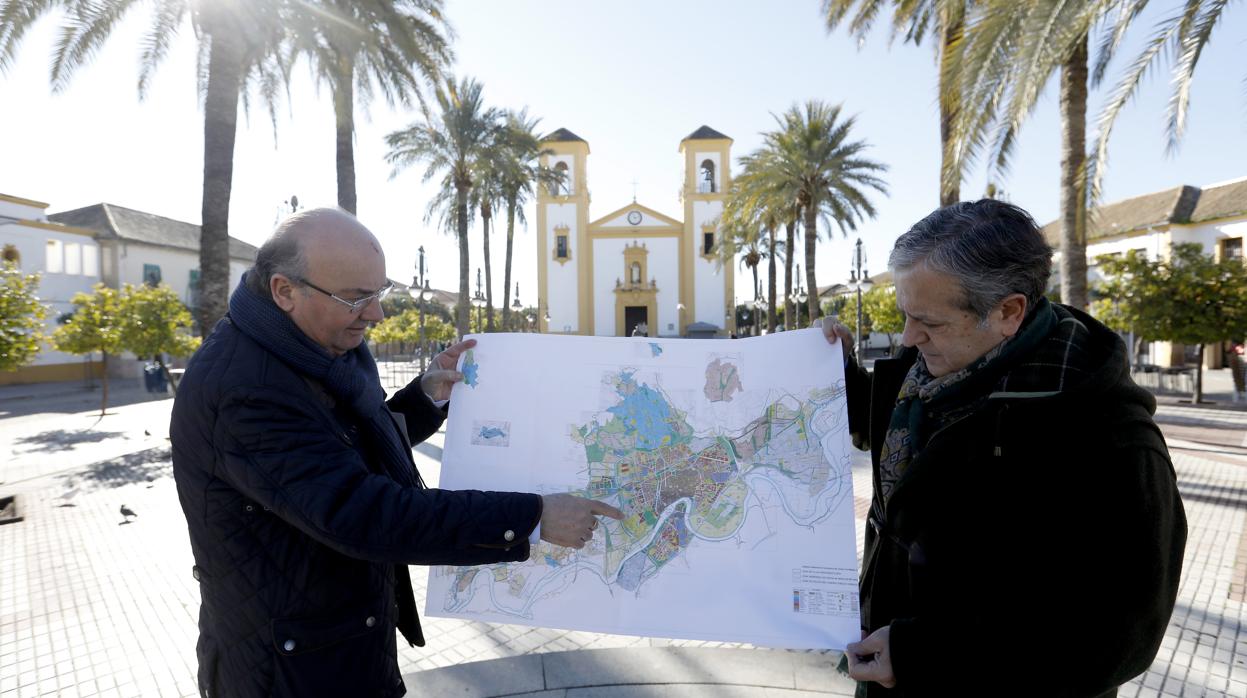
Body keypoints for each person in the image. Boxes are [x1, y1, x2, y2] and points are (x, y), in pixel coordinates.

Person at [171, 208, 622, 698]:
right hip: (286, 672)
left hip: (332, 643)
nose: (376, 313)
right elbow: (359, 511)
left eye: (380, 292)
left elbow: (341, 446)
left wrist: (426, 397)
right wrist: (533, 517)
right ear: (284, 292)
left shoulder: (314, 346)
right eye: (356, 298)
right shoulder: (243, 389)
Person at [823, 200, 1186, 697]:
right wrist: (832, 373)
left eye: (928, 321)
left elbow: (1117, 638)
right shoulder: (930, 375)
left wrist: (919, 653)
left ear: (1008, 312)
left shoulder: (1110, 440)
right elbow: (891, 437)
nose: (908, 337)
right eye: (907, 315)